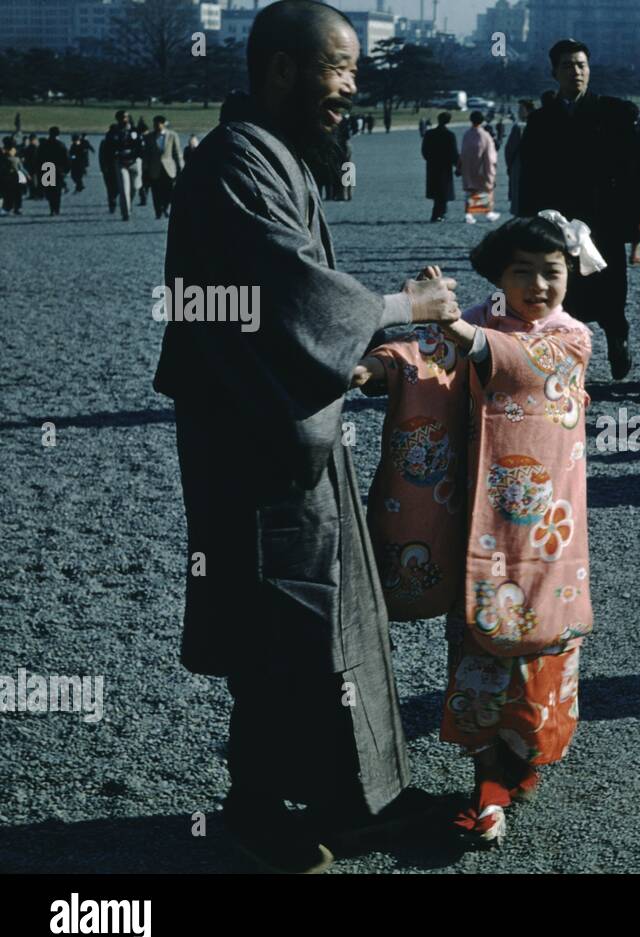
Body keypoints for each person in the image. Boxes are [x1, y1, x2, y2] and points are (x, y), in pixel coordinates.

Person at [151, 0, 461, 874]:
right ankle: (254, 805)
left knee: (328, 620)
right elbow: (288, 295)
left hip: (285, 425)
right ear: (282, 69)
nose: (350, 91)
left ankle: (350, 800)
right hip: (248, 443)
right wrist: (409, 307)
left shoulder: (271, 155)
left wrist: (357, 366)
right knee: (274, 620)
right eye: (338, 71)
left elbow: (270, 321)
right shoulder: (230, 163)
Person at [353, 214, 597, 845]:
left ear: (571, 274)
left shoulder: (571, 339)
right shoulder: (483, 323)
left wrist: (453, 327)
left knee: (541, 644)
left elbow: (520, 365)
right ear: (499, 276)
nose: (539, 285)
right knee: (475, 648)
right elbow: (429, 359)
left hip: (543, 534)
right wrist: (382, 367)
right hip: (477, 529)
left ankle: (522, 763)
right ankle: (487, 777)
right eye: (523, 272)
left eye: (552, 272)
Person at [518, 38, 640, 381]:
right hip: (557, 224)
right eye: (567, 66)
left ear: (589, 70)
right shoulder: (542, 121)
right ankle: (568, 363)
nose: (575, 72)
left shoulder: (615, 113)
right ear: (554, 73)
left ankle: (618, 336)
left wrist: (636, 217)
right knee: (564, 294)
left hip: (605, 221)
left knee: (610, 291)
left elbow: (638, 168)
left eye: (581, 65)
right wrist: (529, 221)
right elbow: (528, 175)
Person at [460, 110, 499, 223]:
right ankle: (488, 213)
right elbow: (490, 156)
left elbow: (463, 152)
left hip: (468, 168)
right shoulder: (485, 135)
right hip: (482, 168)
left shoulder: (467, 134)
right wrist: (491, 171)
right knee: (486, 190)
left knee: (470, 191)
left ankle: (468, 214)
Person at [142, 115, 184, 218]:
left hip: (169, 168)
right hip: (154, 169)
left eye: (160, 123)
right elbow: (146, 154)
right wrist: (145, 169)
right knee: (156, 191)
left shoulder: (172, 135)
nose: (157, 125)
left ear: (164, 124)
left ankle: (165, 207)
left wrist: (181, 167)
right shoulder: (149, 137)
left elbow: (177, 153)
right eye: (156, 123)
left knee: (169, 191)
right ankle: (158, 210)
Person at [104, 111, 143, 221]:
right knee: (124, 189)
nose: (124, 120)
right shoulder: (113, 132)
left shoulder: (135, 131)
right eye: (121, 118)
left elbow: (141, 145)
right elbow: (109, 147)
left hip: (134, 161)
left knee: (135, 187)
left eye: (126, 117)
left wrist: (135, 154)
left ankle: (128, 203)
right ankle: (126, 212)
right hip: (121, 162)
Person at [422, 111, 458, 222]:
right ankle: (439, 213)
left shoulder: (429, 134)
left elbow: (424, 150)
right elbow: (453, 152)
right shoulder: (450, 135)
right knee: (443, 190)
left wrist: (430, 160)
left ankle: (438, 212)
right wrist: (457, 165)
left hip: (433, 166)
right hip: (445, 166)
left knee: (436, 190)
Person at [504, 99, 532, 215]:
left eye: (521, 109)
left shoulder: (519, 128)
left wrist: (509, 166)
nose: (519, 112)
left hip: (519, 165)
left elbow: (509, 149)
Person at [35, 127, 70, 215]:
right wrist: (66, 170)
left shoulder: (43, 144)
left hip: (46, 169)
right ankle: (56, 208)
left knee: (49, 190)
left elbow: (38, 158)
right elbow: (66, 158)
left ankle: (52, 208)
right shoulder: (61, 144)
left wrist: (38, 170)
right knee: (57, 191)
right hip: (58, 170)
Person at [100, 112, 127, 214]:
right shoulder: (107, 142)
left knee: (111, 188)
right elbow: (102, 156)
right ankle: (113, 203)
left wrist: (103, 167)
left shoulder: (106, 142)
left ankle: (113, 203)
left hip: (111, 166)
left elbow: (102, 156)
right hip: (111, 167)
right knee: (113, 187)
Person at [0, 136, 28, 215]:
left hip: (6, 176)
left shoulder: (3, 153)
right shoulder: (17, 152)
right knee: (17, 193)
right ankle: (18, 208)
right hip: (16, 175)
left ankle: (8, 208)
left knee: (8, 193)